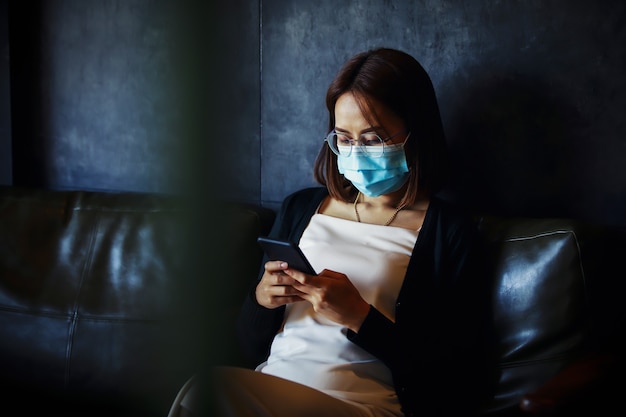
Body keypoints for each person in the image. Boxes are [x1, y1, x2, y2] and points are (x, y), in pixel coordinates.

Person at [213, 47, 493, 417]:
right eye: (344, 138)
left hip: (362, 406)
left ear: (416, 134)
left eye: (373, 139)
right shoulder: (300, 208)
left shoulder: (449, 234)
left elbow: (454, 378)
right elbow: (247, 349)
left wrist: (360, 316)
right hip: (268, 389)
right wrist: (261, 301)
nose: (356, 152)